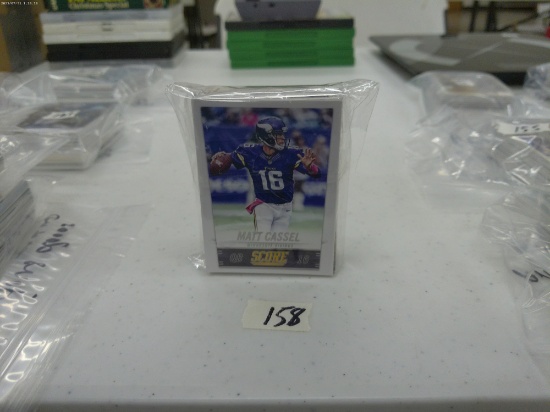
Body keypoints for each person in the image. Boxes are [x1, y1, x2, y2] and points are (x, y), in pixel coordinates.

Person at [211, 116, 320, 232]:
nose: (283, 138)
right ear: (266, 136)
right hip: (263, 205)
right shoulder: (250, 152)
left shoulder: (291, 153)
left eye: (282, 134)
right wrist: (222, 157)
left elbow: (317, 174)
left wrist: (310, 167)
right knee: (263, 238)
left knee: (278, 241)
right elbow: (228, 159)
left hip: (285, 207)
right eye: (278, 134)